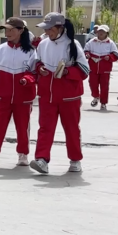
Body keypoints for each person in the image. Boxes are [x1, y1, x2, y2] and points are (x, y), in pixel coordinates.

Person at [31, 13, 88, 175]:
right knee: (45, 128)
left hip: (69, 96)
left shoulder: (73, 45)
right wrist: (40, 68)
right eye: (46, 29)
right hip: (46, 94)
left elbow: (84, 70)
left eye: (50, 29)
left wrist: (67, 71)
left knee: (71, 129)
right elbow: (37, 62)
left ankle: (75, 160)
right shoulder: (42, 44)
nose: (47, 32)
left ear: (60, 28)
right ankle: (42, 159)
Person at [0, 18, 37, 168]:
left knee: (23, 127)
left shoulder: (31, 51)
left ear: (21, 31)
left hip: (23, 98)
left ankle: (23, 154)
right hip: (2, 97)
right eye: (6, 29)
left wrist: (26, 80)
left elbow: (34, 74)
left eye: (11, 30)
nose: (7, 33)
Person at [83, 24, 118, 110]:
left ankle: (103, 102)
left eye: (103, 31)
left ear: (106, 33)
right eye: (99, 31)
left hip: (105, 68)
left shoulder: (110, 43)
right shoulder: (92, 41)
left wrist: (109, 57)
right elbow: (85, 50)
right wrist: (87, 54)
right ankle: (96, 97)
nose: (101, 33)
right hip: (93, 67)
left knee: (104, 86)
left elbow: (116, 55)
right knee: (92, 83)